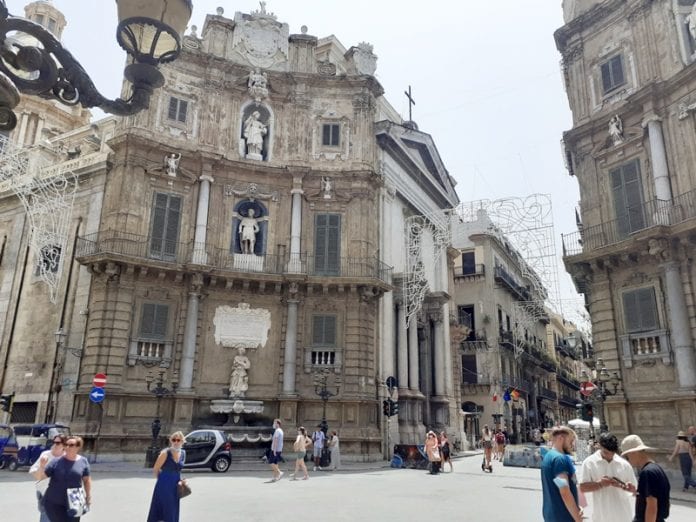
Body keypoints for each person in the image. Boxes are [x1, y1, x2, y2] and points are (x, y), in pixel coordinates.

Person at [579, 431, 635, 522]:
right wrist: (600, 484)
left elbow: (635, 490)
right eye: (605, 452)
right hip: (602, 517)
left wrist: (624, 486)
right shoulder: (589, 463)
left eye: (612, 453)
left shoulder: (624, 464)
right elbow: (582, 488)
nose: (609, 455)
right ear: (599, 446)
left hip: (623, 516)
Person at [36, 436, 92, 522]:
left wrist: (88, 496)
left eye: (71, 445)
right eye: (66, 444)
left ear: (78, 447)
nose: (67, 447)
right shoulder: (56, 461)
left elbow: (86, 480)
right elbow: (42, 477)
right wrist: (42, 466)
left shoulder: (83, 461)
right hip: (54, 502)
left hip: (75, 502)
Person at [621, 434, 670, 522]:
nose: (627, 460)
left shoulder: (647, 473)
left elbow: (652, 506)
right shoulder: (656, 469)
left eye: (627, 457)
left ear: (634, 452)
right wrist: (636, 491)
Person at [540, 426, 582, 522]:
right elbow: (564, 491)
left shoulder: (548, 456)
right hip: (563, 515)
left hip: (552, 514)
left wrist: (576, 507)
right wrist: (578, 519)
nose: (572, 445)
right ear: (561, 438)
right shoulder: (560, 459)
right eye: (571, 441)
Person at [147, 431, 186, 522]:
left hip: (176, 483)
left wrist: (181, 480)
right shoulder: (165, 453)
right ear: (170, 440)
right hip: (164, 483)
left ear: (182, 441)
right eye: (174, 440)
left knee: (172, 507)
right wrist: (161, 480)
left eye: (178, 440)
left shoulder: (183, 453)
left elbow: (178, 469)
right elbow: (156, 468)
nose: (176, 442)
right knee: (164, 506)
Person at [30, 434, 66, 522]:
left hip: (61, 495)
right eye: (53, 442)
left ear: (64, 445)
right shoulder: (45, 455)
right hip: (44, 492)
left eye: (58, 443)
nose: (54, 445)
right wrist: (42, 466)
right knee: (46, 518)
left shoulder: (66, 458)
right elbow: (37, 476)